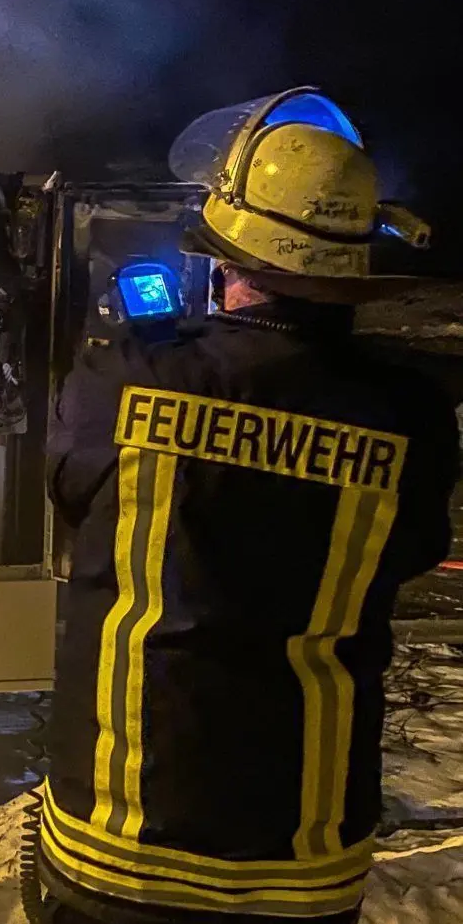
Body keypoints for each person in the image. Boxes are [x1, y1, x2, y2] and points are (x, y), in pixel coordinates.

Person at [38, 88, 458, 923]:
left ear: (227, 258)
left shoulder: (128, 375)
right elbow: (408, 549)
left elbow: (66, 488)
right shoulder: (406, 413)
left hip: (117, 846)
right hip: (301, 857)